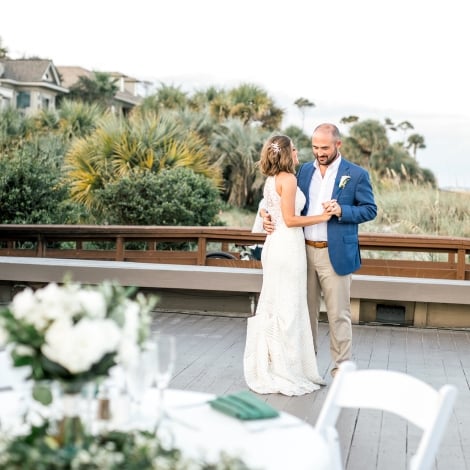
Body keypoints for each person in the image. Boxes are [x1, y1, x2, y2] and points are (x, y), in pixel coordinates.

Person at [263, 123, 377, 377]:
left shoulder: (356, 174)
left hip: (334, 254)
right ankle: (307, 366)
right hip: (300, 253)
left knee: (339, 315)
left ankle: (341, 369)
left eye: (324, 147)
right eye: (315, 147)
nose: (319, 152)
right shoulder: (302, 171)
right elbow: (279, 199)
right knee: (304, 313)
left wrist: (342, 211)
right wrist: (265, 214)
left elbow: (370, 209)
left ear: (338, 144)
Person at [243, 135, 331, 396]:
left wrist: (263, 214)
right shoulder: (289, 179)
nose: (297, 153)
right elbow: (291, 220)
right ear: (285, 154)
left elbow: (270, 208)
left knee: (275, 302)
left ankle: (270, 363)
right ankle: (287, 368)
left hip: (274, 246)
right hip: (288, 246)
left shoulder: (271, 180)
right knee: (290, 306)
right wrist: (323, 216)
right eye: (294, 149)